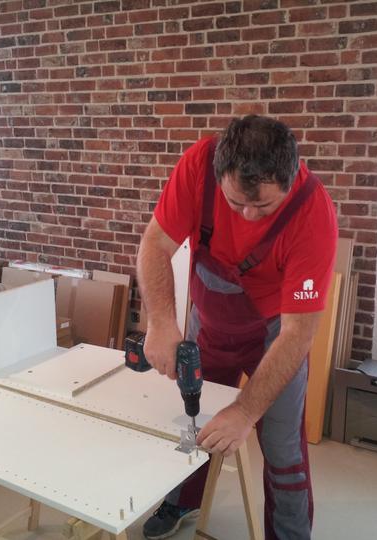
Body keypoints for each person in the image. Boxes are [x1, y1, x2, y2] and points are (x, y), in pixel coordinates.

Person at [137, 115, 338, 540]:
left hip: (275, 335)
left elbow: (299, 333)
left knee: (283, 449)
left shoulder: (312, 213)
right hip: (208, 323)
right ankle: (183, 500)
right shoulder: (199, 165)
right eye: (234, 202)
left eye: (262, 207)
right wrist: (161, 322)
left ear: (289, 179)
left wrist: (246, 411)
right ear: (220, 171)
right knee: (192, 423)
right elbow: (155, 243)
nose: (247, 215)